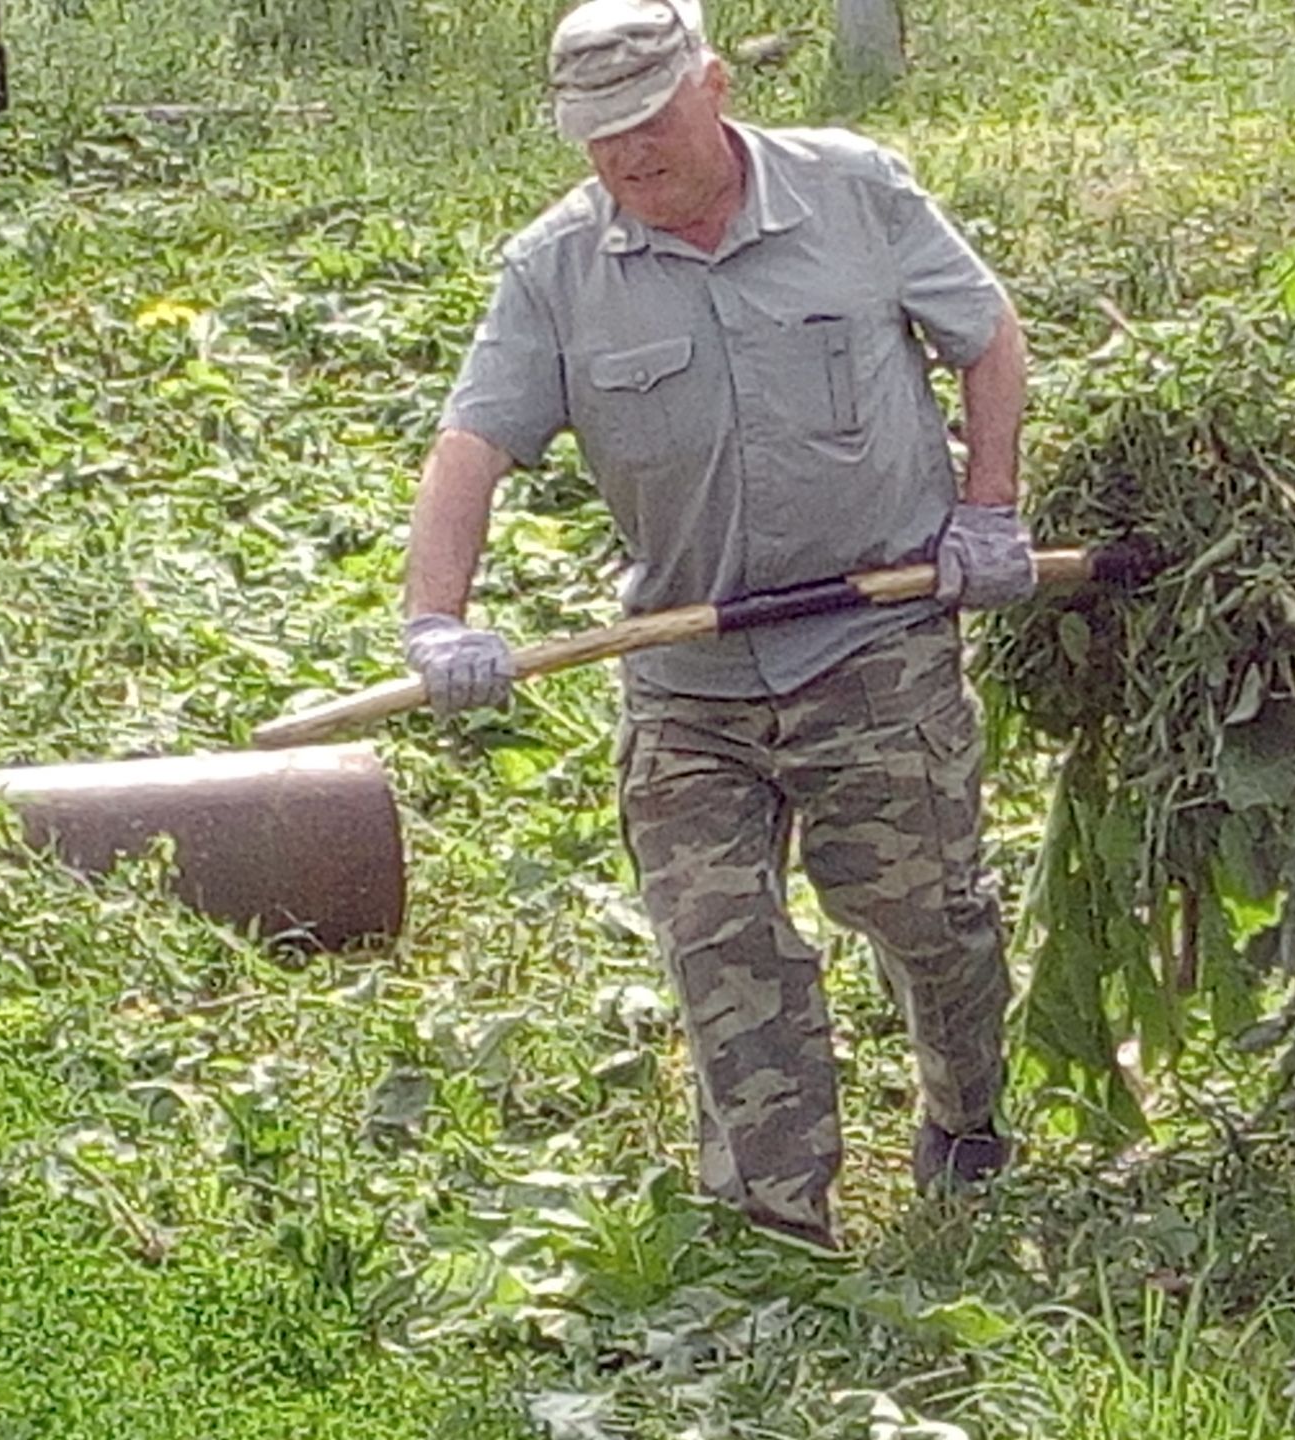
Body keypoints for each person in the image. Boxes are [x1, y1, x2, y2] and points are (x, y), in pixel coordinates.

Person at [400, 0, 1032, 1249]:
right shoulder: (556, 270)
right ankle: (773, 1225)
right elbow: (471, 444)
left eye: (646, 124)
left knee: (922, 912)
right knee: (719, 940)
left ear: (717, 87)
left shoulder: (854, 194)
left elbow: (989, 336)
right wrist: (436, 619)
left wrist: (989, 512)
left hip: (873, 641)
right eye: (600, 141)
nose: (629, 159)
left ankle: (967, 1123)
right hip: (689, 672)